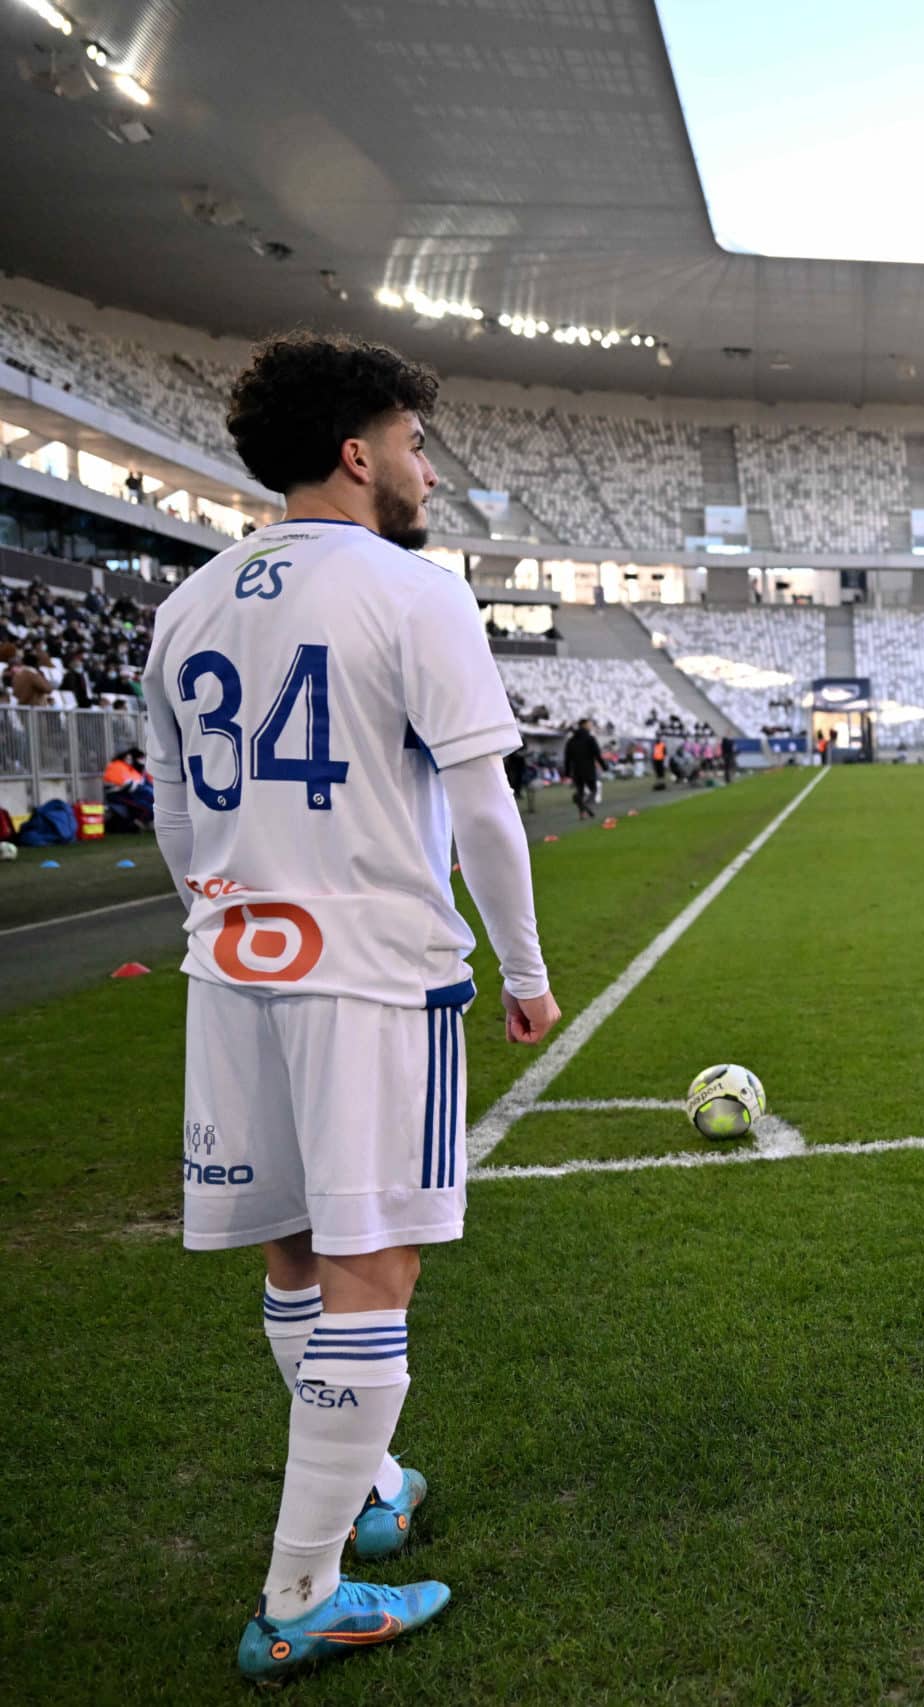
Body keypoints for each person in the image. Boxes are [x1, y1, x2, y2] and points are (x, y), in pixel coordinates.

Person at [140, 331, 559, 1682]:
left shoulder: (186, 605)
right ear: (355, 450)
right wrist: (529, 968)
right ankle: (299, 1592)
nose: (424, 465)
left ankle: (370, 1479)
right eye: (413, 441)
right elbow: (487, 804)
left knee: (293, 1248)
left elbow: (171, 807)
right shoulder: (411, 591)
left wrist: (219, 913)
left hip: (234, 966)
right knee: (376, 1266)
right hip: (372, 969)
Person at [103, 744, 154, 831]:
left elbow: (139, 782)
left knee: (149, 802)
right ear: (123, 756)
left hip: (129, 793)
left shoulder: (127, 767)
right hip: (118, 795)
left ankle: (140, 823)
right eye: (128, 758)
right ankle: (138, 824)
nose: (130, 760)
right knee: (146, 807)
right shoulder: (116, 766)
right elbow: (127, 785)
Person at [564, 718, 602, 818]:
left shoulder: (571, 740)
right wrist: (604, 766)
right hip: (589, 769)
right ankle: (586, 804)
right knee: (593, 789)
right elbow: (597, 754)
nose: (590, 726)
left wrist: (567, 772)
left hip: (576, 770)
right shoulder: (590, 738)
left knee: (580, 791)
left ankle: (582, 813)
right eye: (589, 724)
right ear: (584, 725)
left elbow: (567, 758)